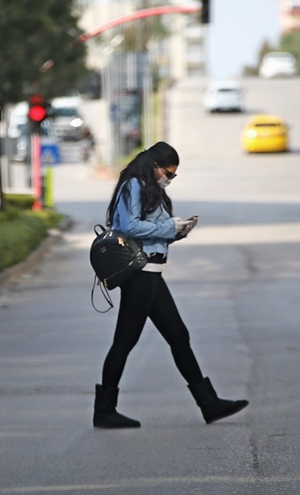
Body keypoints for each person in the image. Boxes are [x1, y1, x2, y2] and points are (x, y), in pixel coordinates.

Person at [93, 141, 249, 429]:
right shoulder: (134, 185)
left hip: (152, 272)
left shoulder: (150, 188)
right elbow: (129, 227)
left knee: (178, 336)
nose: (169, 179)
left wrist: (179, 230)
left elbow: (151, 230)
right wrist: (169, 227)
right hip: (140, 273)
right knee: (126, 341)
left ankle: (209, 404)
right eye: (168, 173)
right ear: (154, 166)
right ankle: (104, 410)